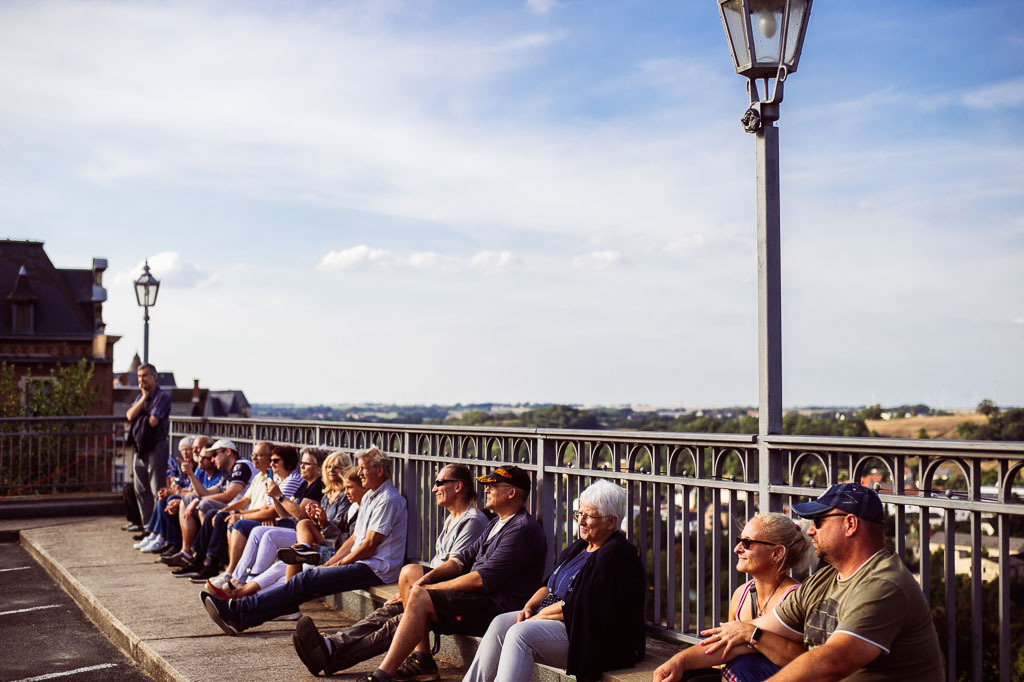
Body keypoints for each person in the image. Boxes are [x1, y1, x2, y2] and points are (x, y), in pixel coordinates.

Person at [658, 483, 943, 682]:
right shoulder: (824, 580)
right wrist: (680, 661)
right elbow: (744, 636)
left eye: (818, 522)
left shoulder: (883, 585)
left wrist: (751, 635)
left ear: (850, 524)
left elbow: (833, 662)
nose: (810, 531)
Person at [290, 463, 488, 677]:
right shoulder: (452, 518)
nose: (434, 489)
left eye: (440, 483)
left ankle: (332, 654)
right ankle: (332, 646)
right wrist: (412, 589)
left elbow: (455, 569)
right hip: (432, 589)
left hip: (448, 595)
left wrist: (417, 587)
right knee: (384, 614)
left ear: (458, 486)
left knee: (396, 621)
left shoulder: (472, 521)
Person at [362, 465, 546, 682]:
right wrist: (424, 579)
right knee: (411, 573)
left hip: (496, 607)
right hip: (480, 598)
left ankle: (383, 675)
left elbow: (479, 580)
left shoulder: (521, 529)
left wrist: (427, 589)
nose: (486, 490)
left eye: (493, 486)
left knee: (419, 597)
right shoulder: (498, 522)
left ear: (511, 493)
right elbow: (461, 560)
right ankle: (422, 659)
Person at [201, 446, 407, 635]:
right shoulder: (371, 496)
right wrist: (331, 562)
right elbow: (355, 539)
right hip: (362, 562)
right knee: (303, 583)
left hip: (376, 568)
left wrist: (337, 565)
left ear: (379, 471)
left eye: (363, 468)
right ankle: (240, 618)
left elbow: (368, 546)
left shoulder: (388, 500)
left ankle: (238, 610)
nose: (359, 473)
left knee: (306, 580)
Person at [463, 480, 646, 682]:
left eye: (589, 516)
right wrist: (529, 608)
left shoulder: (616, 555)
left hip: (591, 636)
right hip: (560, 622)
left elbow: (578, 604)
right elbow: (549, 584)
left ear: (612, 522)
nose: (581, 521)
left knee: (520, 634)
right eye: (579, 513)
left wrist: (537, 618)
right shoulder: (580, 547)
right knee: (500, 623)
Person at [651, 512, 814, 682]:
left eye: (747, 543)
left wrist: (753, 635)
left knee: (742, 665)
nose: (737, 549)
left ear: (777, 553)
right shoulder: (741, 595)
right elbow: (727, 646)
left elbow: (808, 661)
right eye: (739, 540)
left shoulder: (795, 599)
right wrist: (679, 661)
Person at [125, 363, 171, 525]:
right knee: (141, 489)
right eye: (139, 377)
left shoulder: (162, 396)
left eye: (144, 376)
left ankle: (159, 529)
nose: (141, 380)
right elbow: (130, 415)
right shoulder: (141, 397)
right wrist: (144, 398)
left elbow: (153, 421)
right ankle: (147, 527)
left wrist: (142, 413)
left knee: (156, 489)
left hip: (156, 446)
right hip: (140, 447)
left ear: (154, 377)